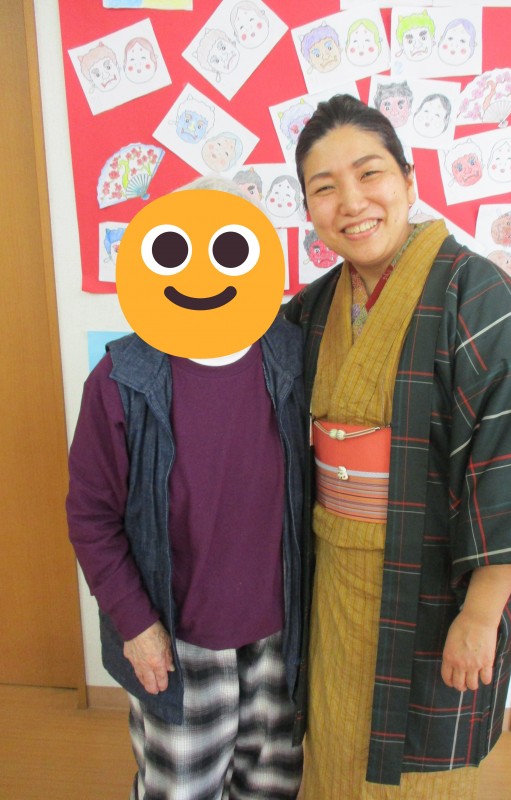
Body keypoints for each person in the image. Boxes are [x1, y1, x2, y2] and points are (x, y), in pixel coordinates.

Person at [283, 94, 511, 799]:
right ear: (308, 210)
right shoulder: (313, 308)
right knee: (333, 746)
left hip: (429, 587)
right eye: (325, 188)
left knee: (418, 770)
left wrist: (482, 616)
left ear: (408, 179)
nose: (351, 202)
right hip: (334, 576)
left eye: (369, 173)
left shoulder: (482, 298)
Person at [67, 176, 306, 799]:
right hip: (176, 635)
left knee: (272, 784)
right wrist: (135, 625)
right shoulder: (121, 379)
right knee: (180, 788)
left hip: (279, 633)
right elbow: (91, 517)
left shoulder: (291, 355)